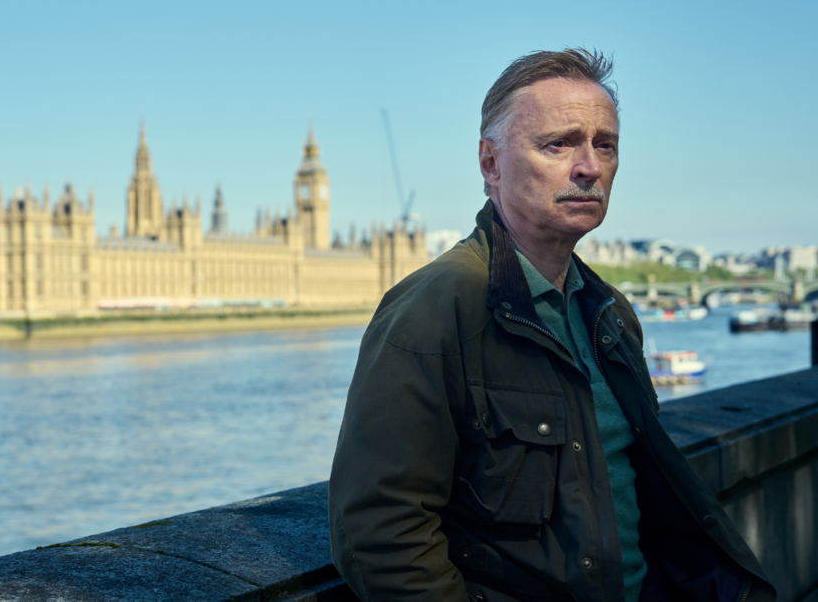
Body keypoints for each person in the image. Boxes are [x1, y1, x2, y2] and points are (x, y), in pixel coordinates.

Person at [328, 49, 774, 602]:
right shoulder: (435, 310)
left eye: (604, 144)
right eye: (557, 144)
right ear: (490, 164)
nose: (588, 166)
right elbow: (381, 529)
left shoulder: (609, 312)